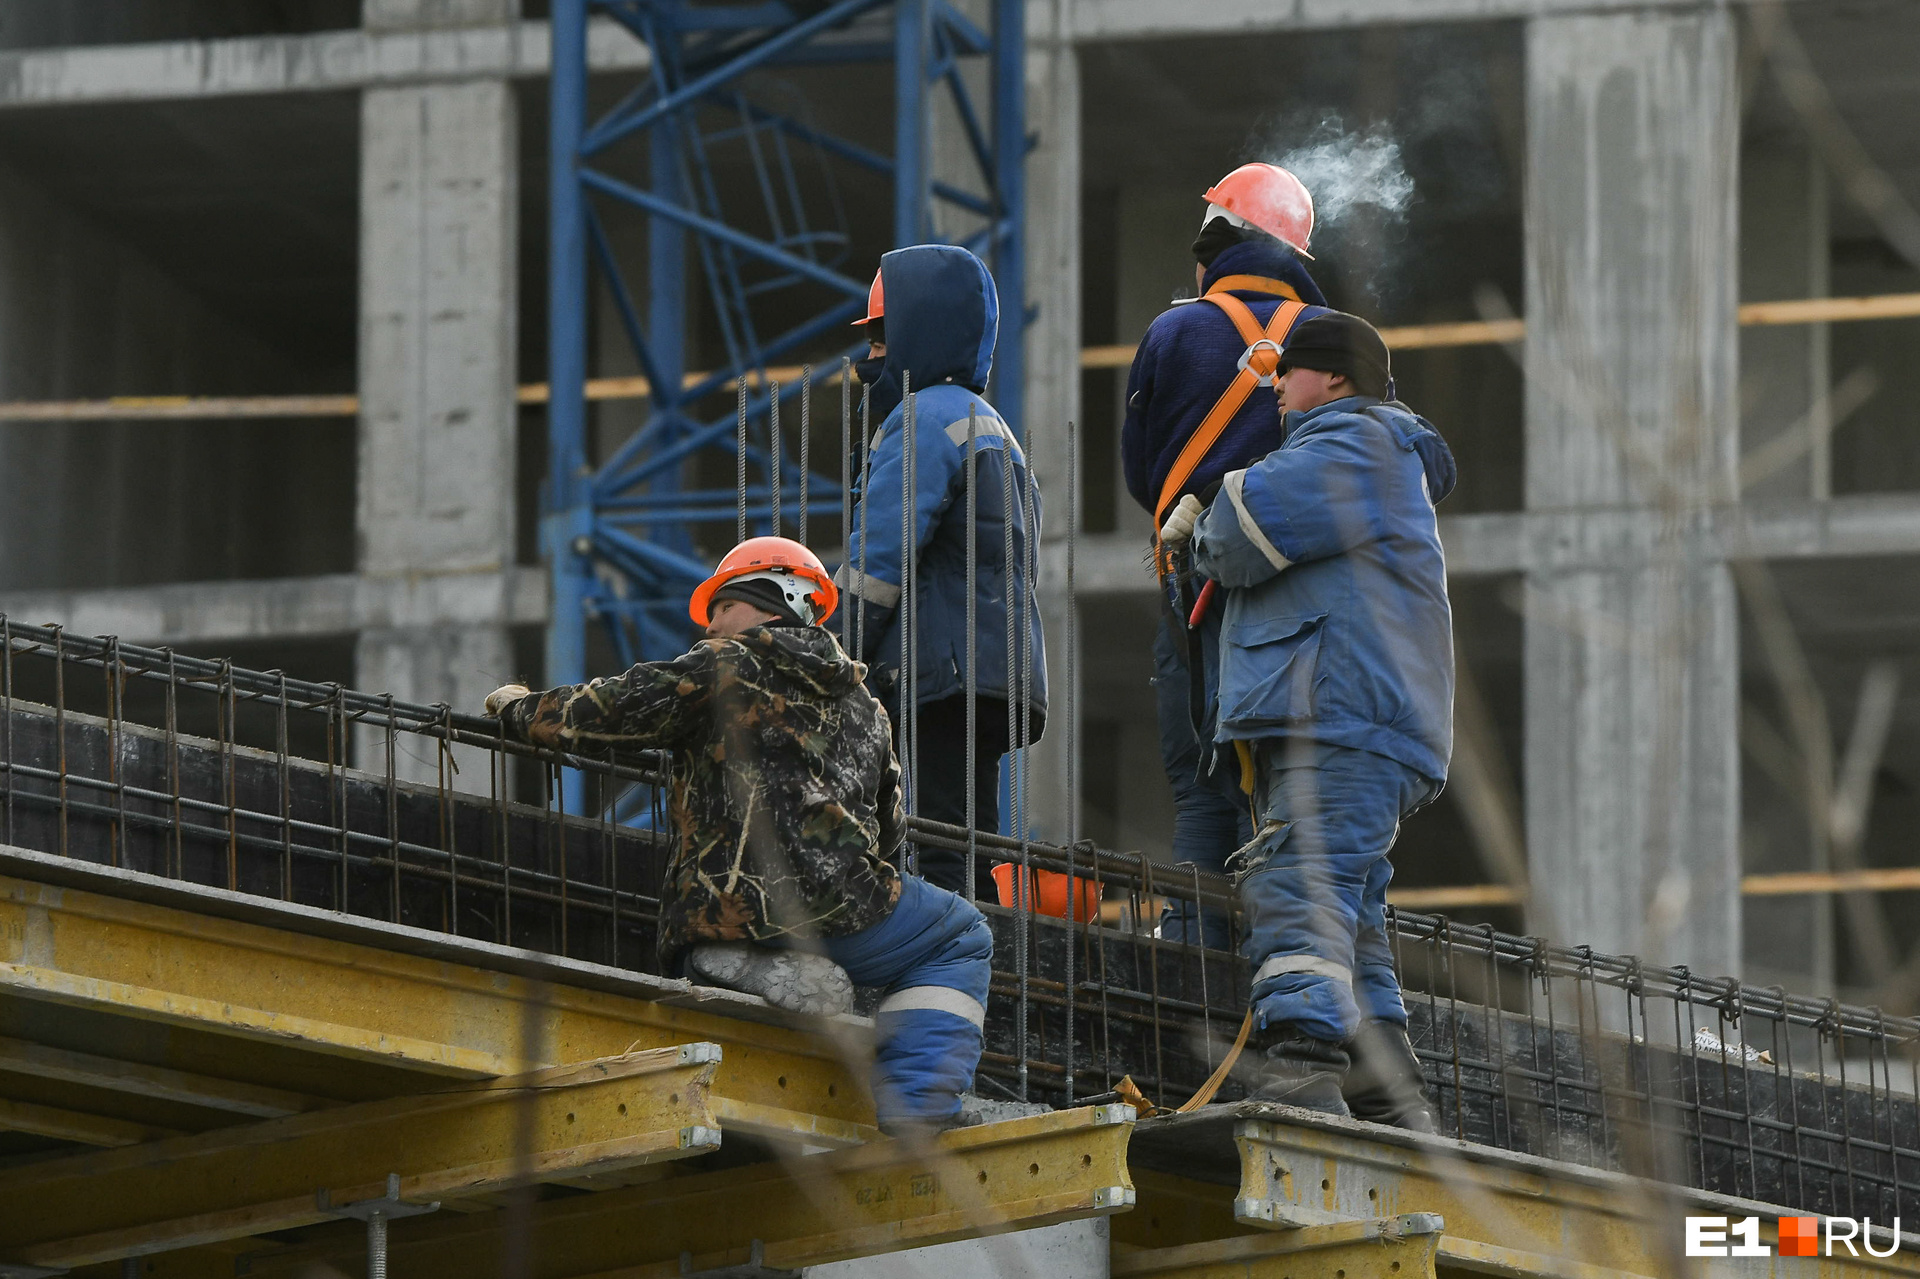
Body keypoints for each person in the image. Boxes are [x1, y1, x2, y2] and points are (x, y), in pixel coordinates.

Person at [482, 536, 992, 1137]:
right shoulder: (867, 707)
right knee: (958, 936)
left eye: (723, 605)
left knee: (956, 937)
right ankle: (919, 1105)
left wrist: (517, 706)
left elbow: (604, 712)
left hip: (724, 905)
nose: (711, 622)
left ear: (767, 602)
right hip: (843, 910)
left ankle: (744, 953)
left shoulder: (725, 665)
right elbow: (887, 827)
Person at [1158, 311, 1457, 1130]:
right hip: (1355, 716)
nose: (1277, 391)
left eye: (1286, 374)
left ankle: (1301, 1066)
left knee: (1300, 884)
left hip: (1341, 713)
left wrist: (1210, 512)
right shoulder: (1372, 452)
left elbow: (1246, 530)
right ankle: (1389, 1097)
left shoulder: (1355, 444)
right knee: (1351, 913)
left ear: (1333, 377)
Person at [1119, 163, 1330, 948]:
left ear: (1216, 246)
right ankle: (1294, 955)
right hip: (1302, 598)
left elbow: (1142, 470)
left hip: (1196, 584)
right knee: (1295, 782)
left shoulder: (1175, 332)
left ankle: (1195, 940)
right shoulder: (1332, 339)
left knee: (1206, 778)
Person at [838, 244, 1046, 899]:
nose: (870, 357)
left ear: (915, 331)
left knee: (927, 847)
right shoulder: (994, 429)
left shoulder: (923, 416)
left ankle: (941, 980)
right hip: (990, 676)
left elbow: (878, 558)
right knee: (970, 841)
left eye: (880, 337)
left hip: (936, 678)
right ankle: (982, 977)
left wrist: (829, 655)